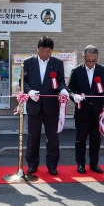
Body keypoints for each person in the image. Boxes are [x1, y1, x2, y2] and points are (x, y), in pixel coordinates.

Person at [23, 36, 68, 176]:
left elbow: (61, 81)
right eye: (42, 50)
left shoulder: (57, 63)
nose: (44, 54)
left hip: (51, 106)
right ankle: (32, 164)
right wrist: (29, 91)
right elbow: (23, 81)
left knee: (52, 138)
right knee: (32, 137)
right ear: (37, 48)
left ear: (52, 51)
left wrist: (63, 90)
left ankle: (52, 165)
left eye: (48, 51)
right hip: (34, 105)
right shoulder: (28, 63)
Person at [67, 45, 104, 174]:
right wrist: (74, 96)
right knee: (80, 139)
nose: (91, 63)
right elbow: (70, 89)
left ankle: (94, 164)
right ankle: (80, 164)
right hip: (82, 111)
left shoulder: (103, 70)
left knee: (95, 139)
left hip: (97, 112)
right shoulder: (76, 71)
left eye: (94, 61)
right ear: (83, 57)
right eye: (88, 60)